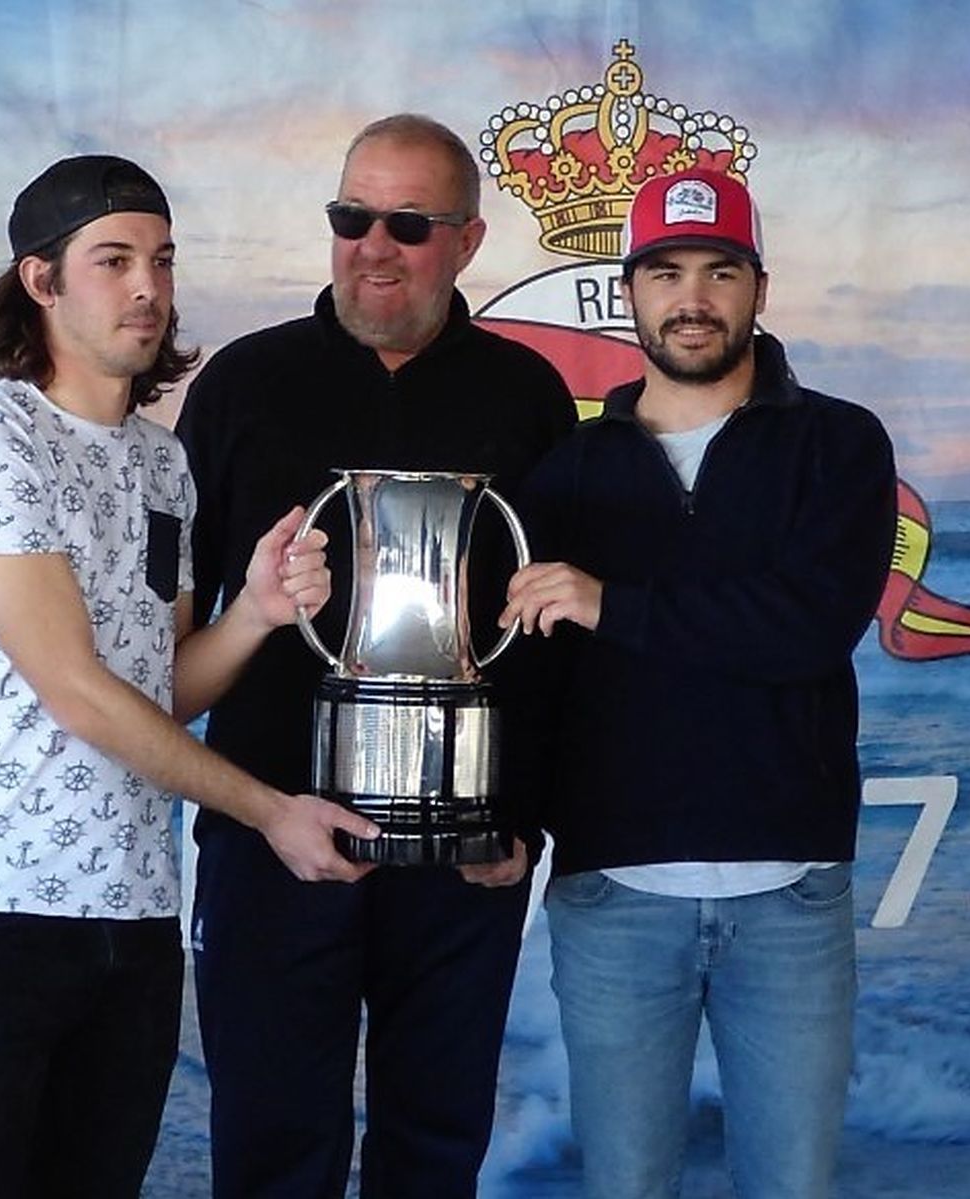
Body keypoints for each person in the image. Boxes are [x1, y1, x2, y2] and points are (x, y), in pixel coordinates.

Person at [0, 153, 378, 1199]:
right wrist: (268, 811)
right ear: (41, 281)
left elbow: (159, 691)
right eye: (112, 260)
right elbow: (75, 690)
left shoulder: (163, 466)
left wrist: (255, 607)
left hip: (131, 910)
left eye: (160, 259)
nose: (148, 286)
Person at [175, 114, 577, 1198]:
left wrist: (525, 817)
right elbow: (167, 642)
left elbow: (552, 642)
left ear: (469, 240)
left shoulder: (529, 395)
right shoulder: (239, 387)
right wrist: (249, 805)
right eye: (352, 217)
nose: (374, 245)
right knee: (269, 1151)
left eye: (409, 222)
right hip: (271, 838)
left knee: (435, 1147)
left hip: (463, 854)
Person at [501, 166, 897, 1199]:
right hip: (615, 895)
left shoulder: (839, 443)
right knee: (625, 1187)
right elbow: (531, 680)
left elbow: (807, 627)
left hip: (790, 891)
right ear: (625, 293)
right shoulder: (567, 472)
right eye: (664, 272)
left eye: (720, 270)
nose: (693, 298)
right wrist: (509, 820)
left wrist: (608, 601)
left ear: (757, 288)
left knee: (792, 1186)